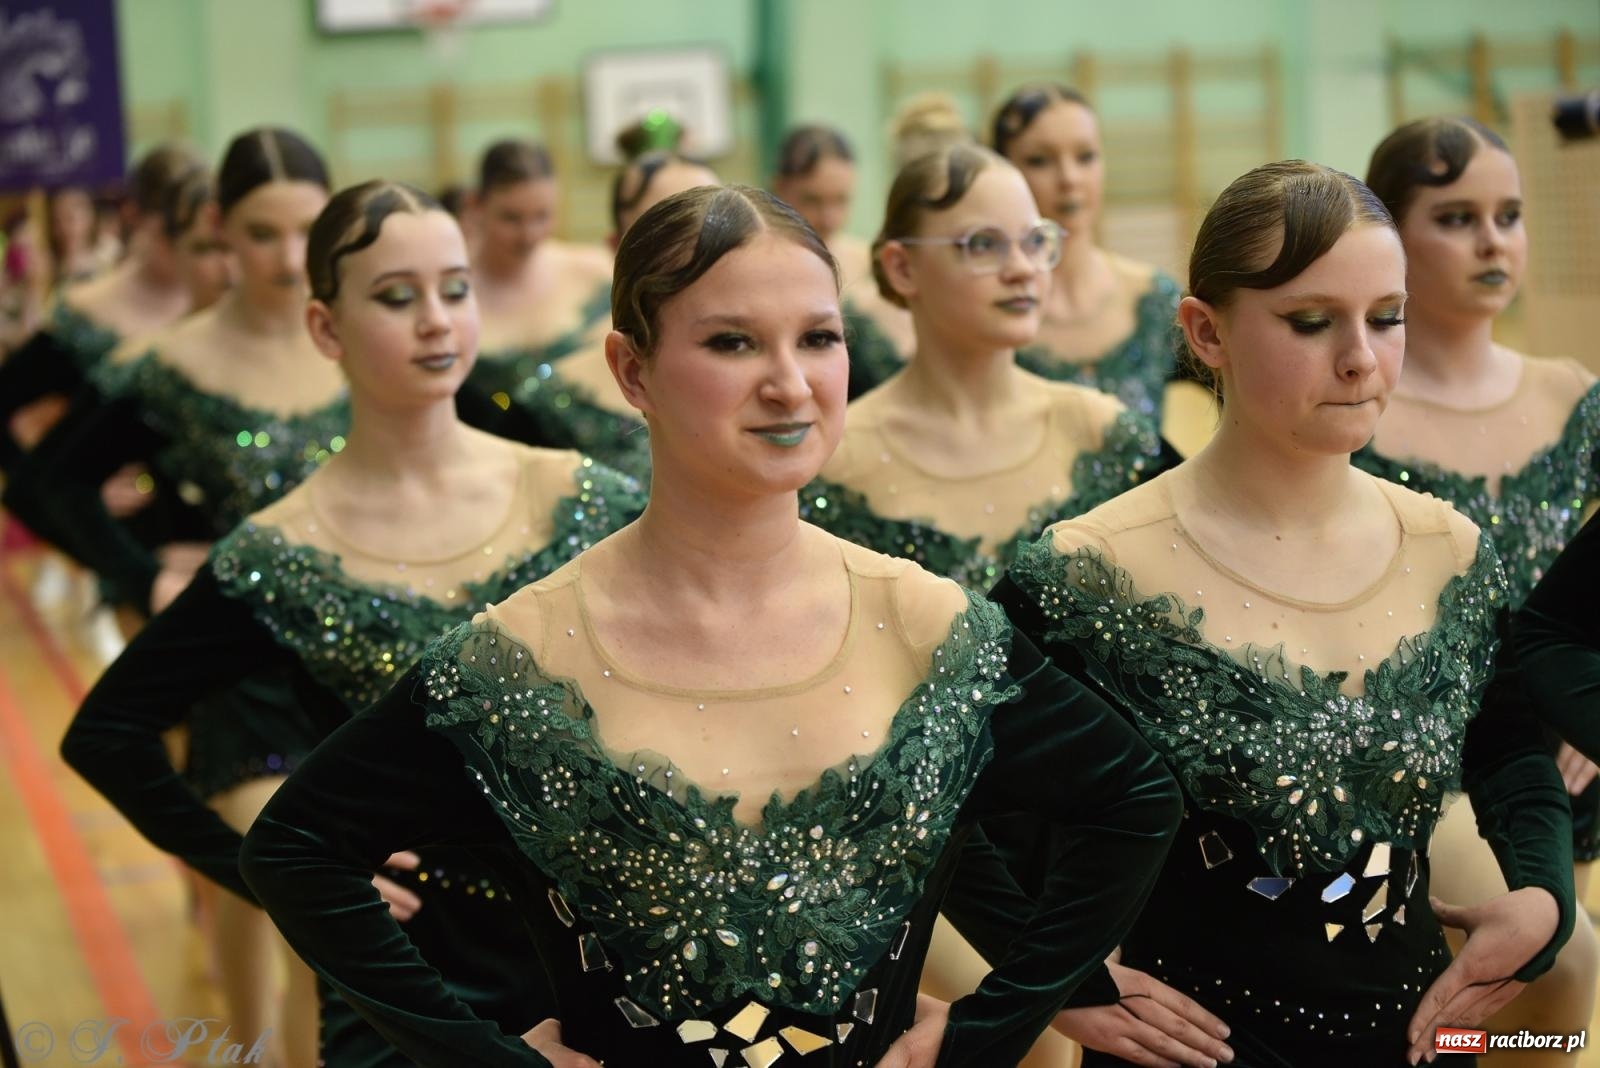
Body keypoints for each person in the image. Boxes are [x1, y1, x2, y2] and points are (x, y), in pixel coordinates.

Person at [238, 183, 1184, 1068]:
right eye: (733, 343)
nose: (790, 383)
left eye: (818, 339)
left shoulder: (926, 622)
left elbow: (1134, 797)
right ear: (632, 369)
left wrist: (991, 1026)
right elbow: (294, 850)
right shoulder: (522, 654)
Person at [991, 161, 1574, 1067]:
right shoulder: (1087, 575)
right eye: (1311, 322)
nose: (1360, 357)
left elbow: (1508, 747)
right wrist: (1058, 978)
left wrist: (1542, 895)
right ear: (1206, 331)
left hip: (1424, 1034)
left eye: (1387, 317)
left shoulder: (1450, 549)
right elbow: (957, 802)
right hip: (1196, 1047)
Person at [62, 179, 645, 1068]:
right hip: (404, 990)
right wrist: (270, 875)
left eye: (455, 288)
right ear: (327, 327)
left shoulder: (580, 496)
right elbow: (108, 735)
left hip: (594, 964)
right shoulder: (287, 549)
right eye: (396, 296)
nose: (436, 321)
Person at [1353, 115, 1600, 1066]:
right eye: (1457, 218)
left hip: (1570, 758)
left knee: (1539, 1007)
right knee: (1547, 967)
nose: (1493, 241)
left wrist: (1583, 704)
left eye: (1510, 215)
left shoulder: (1574, 395)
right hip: (1425, 762)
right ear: (1389, 239)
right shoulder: (1353, 402)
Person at [802, 143, 1165, 591]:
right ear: (902, 268)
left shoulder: (1105, 436)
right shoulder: (832, 463)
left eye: (1035, 242)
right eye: (984, 244)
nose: (1022, 269)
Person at [28, 128, 341, 618]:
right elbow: (51, 484)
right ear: (220, 225)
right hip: (235, 640)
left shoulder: (363, 337)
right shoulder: (172, 364)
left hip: (380, 630)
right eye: (263, 234)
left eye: (308, 230)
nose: (290, 259)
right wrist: (145, 578)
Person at [477, 134, 720, 479]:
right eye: (670, 230)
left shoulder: (770, 362)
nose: (699, 249)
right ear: (617, 246)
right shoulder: (553, 398)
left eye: (716, 224)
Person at [991, 85, 1184, 425]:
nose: (1069, 178)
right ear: (1004, 174)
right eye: (1040, 161)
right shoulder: (988, 307)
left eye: (1085, 156)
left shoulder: (1154, 299)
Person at [0, 144, 201, 470]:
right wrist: (60, 484)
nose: (186, 246)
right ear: (135, 215)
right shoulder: (84, 313)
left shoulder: (221, 299)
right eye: (173, 230)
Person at [773, 123, 912, 398]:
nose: (829, 218)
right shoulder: (759, 268)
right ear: (780, 188)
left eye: (840, 201)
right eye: (813, 200)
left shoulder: (868, 260)